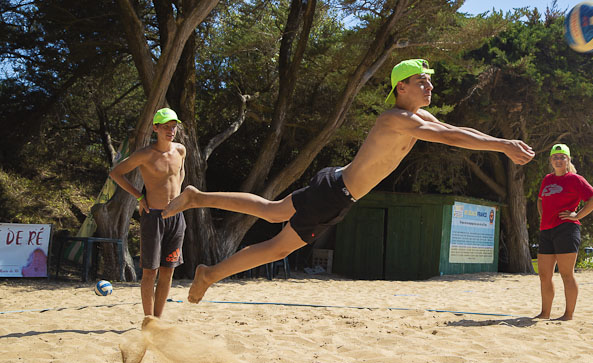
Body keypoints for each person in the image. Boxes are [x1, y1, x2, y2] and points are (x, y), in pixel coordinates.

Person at [162, 58, 535, 304]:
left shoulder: (420, 117)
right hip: (335, 193)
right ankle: (210, 272)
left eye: (429, 82)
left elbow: (455, 129)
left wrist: (498, 144)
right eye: (422, 81)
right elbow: (452, 138)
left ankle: (198, 199)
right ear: (400, 87)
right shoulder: (397, 118)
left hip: (337, 187)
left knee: (272, 211)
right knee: (277, 243)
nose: (429, 87)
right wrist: (502, 145)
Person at [109, 108, 187, 318]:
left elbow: (180, 172)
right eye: (165, 127)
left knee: (168, 271)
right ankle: (148, 319)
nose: (171, 131)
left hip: (176, 218)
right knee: (150, 272)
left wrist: (179, 198)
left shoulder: (180, 150)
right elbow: (116, 173)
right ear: (155, 128)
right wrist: (139, 196)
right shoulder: (145, 154)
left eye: (173, 126)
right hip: (153, 216)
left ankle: (158, 320)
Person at [535, 143, 593, 321]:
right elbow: (540, 200)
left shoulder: (575, 179)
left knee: (566, 274)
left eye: (562, 157)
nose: (558, 160)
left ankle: (568, 315)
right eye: (555, 157)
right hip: (546, 230)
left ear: (568, 159)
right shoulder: (547, 179)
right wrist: (544, 216)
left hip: (566, 229)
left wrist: (577, 215)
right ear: (551, 160)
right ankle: (545, 313)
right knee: (544, 275)